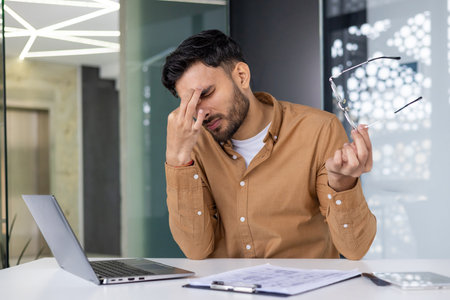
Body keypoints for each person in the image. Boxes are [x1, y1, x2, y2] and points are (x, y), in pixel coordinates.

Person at [161, 29, 376, 260]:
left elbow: (355, 248)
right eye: (189, 104)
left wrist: (342, 185)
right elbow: (195, 249)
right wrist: (177, 160)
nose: (200, 112)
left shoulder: (319, 130)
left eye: (206, 93)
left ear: (241, 75)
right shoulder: (194, 144)